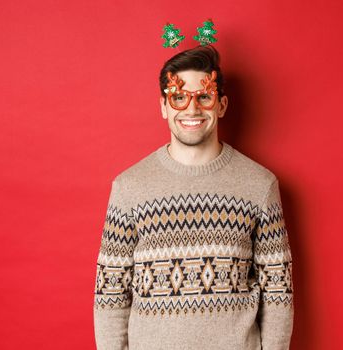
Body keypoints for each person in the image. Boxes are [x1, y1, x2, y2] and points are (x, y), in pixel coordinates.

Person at [93, 45, 294, 350]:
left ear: (221, 105)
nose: (191, 109)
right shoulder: (129, 188)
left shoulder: (260, 185)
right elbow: (110, 294)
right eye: (178, 97)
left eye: (204, 97)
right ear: (164, 106)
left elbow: (278, 291)